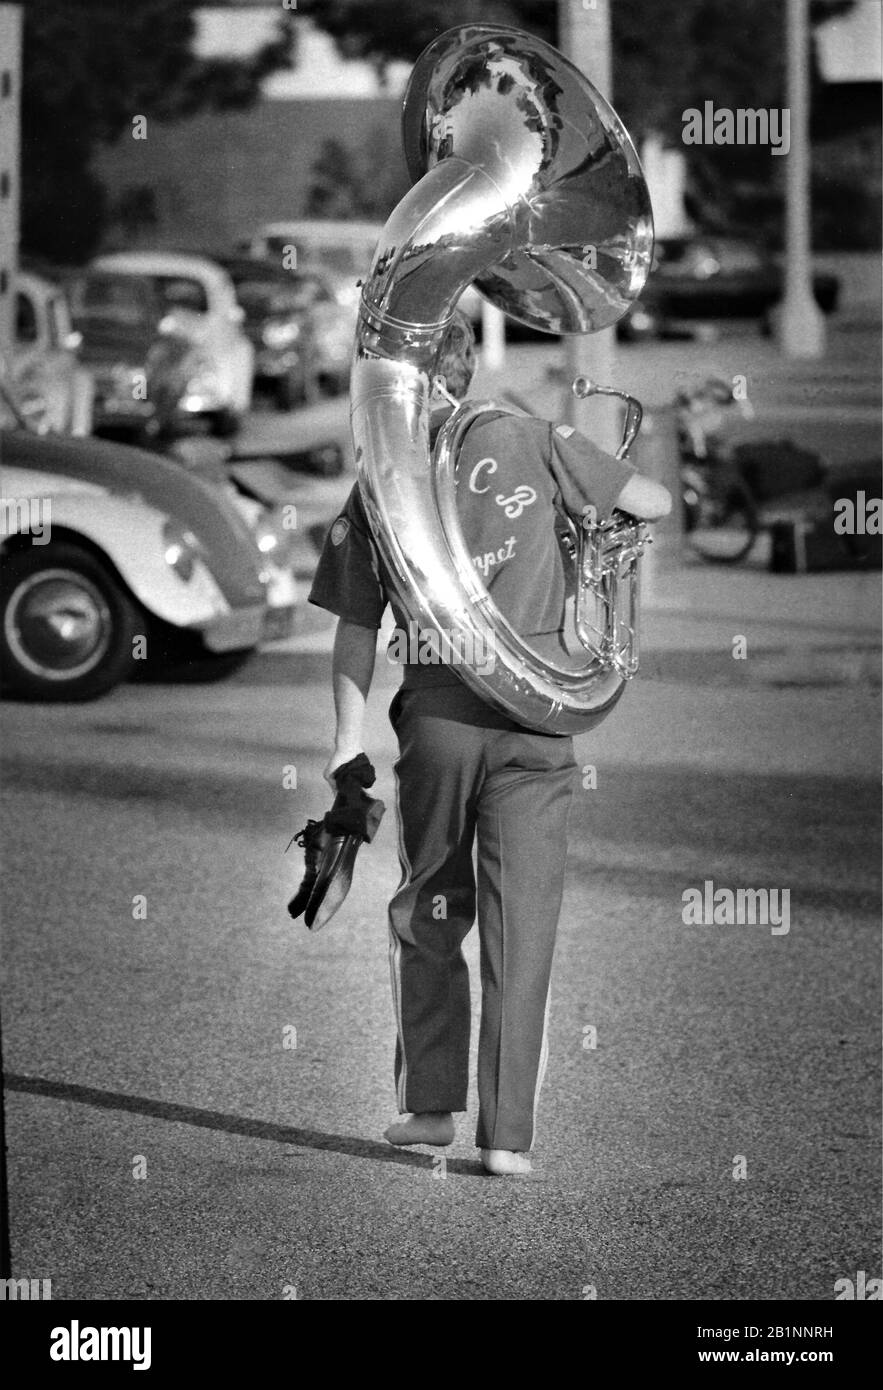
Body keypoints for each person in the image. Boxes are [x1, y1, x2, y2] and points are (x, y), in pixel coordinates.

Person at [308, 312, 670, 1175]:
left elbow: (355, 630)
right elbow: (648, 504)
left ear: (409, 385)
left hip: (435, 721)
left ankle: (429, 1109)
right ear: (466, 372)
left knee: (427, 907)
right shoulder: (537, 437)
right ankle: (507, 1140)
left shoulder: (380, 483)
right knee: (525, 928)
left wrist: (342, 745)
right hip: (542, 721)